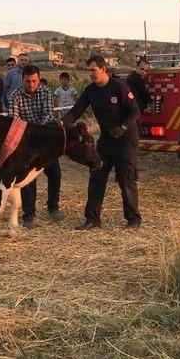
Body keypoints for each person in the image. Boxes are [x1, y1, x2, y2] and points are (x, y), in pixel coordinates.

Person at [61, 56, 141, 230]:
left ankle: (133, 219)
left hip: (125, 141)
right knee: (96, 177)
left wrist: (123, 127)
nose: (90, 74)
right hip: (106, 140)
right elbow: (76, 110)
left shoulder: (119, 87)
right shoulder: (91, 90)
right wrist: (62, 123)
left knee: (126, 179)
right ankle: (92, 219)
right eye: (88, 70)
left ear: (103, 69)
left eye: (93, 70)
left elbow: (135, 112)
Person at [10, 64, 62, 228]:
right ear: (22, 80)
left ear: (39, 79)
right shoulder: (15, 95)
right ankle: (29, 215)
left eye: (34, 81)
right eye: (27, 81)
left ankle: (53, 207)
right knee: (27, 180)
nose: (31, 84)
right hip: (26, 143)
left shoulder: (46, 92)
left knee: (55, 174)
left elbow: (48, 115)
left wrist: (34, 130)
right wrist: (30, 134)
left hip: (46, 141)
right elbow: (14, 120)